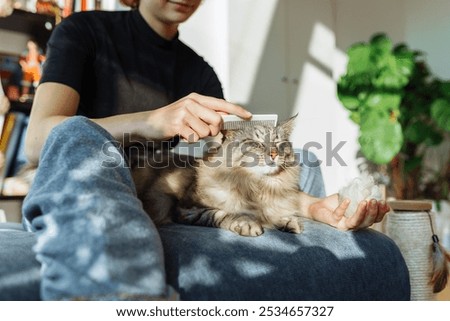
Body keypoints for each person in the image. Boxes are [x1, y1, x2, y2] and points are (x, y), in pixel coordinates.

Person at [22, 0, 391, 300]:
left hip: (172, 181)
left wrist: (314, 207)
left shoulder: (200, 72)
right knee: (76, 135)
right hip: (96, 173)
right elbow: (38, 140)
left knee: (301, 158)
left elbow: (230, 167)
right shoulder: (83, 31)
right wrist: (152, 122)